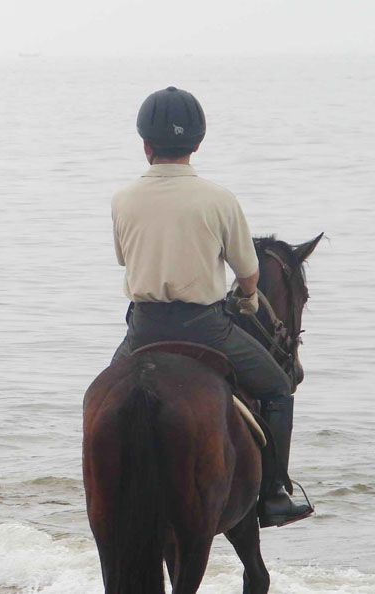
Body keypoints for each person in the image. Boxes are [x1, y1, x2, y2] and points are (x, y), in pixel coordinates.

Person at [111, 86, 312, 528]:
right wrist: (244, 299)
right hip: (204, 328)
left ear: (145, 145)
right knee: (278, 389)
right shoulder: (220, 199)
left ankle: (104, 485)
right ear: (197, 143)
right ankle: (274, 492)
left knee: (106, 397)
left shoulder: (123, 199)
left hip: (142, 329)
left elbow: (125, 258)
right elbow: (248, 272)